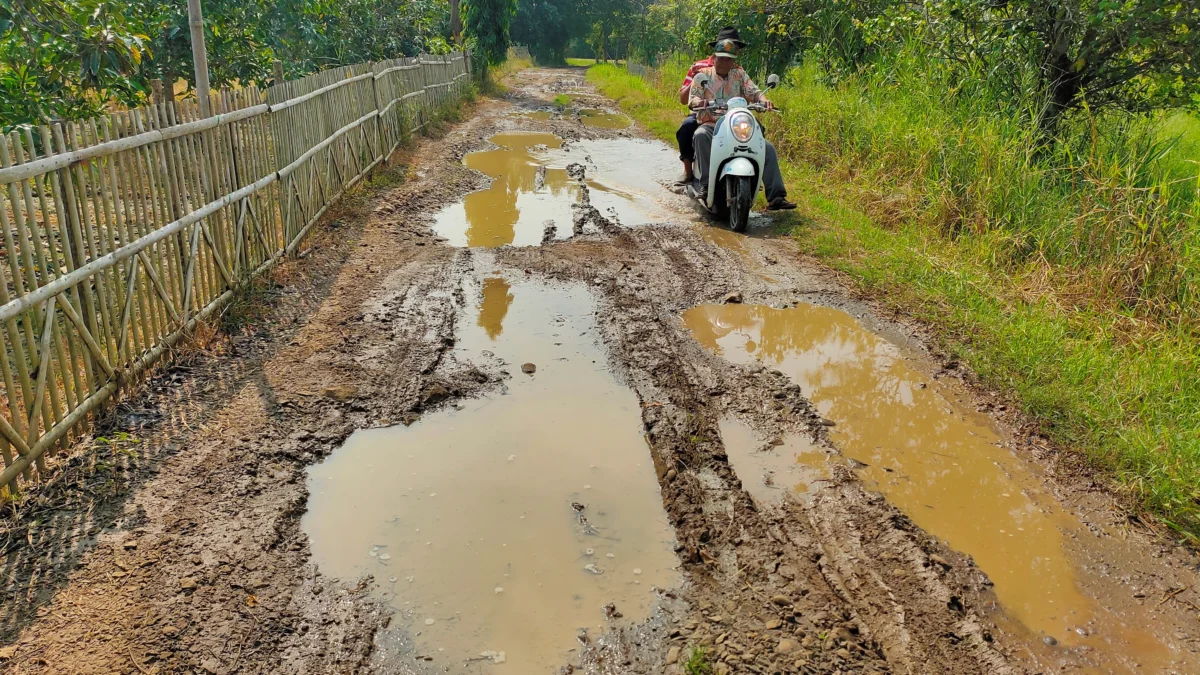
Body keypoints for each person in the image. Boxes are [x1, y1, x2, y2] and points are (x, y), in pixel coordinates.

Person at [688, 30, 796, 210]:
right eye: (721, 58)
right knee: (699, 135)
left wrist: (764, 101)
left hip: (736, 124)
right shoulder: (702, 75)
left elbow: (753, 92)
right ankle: (706, 186)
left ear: (734, 60)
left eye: (729, 59)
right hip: (712, 124)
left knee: (766, 147)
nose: (725, 62)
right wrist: (702, 102)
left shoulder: (739, 74)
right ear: (713, 58)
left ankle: (776, 196)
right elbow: (693, 99)